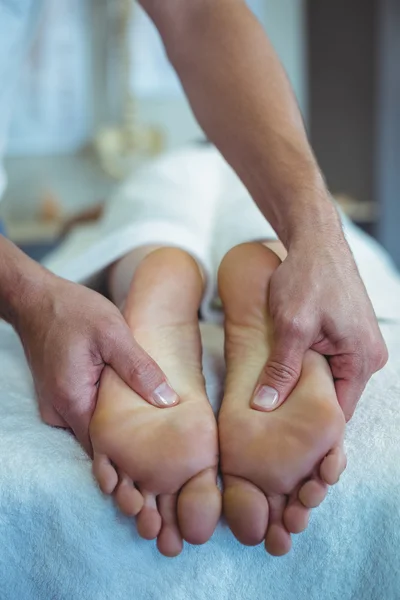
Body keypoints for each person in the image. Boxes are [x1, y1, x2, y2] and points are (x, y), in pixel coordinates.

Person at [0, 0, 387, 460]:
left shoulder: (161, 171)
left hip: (158, 178)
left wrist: (75, 225)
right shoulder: (233, 168)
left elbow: (199, 12)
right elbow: (201, 13)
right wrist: (320, 232)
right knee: (267, 225)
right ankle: (266, 263)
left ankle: (149, 268)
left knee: (145, 220)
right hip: (266, 189)